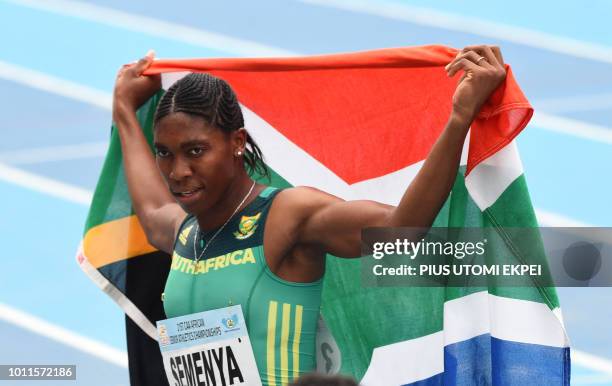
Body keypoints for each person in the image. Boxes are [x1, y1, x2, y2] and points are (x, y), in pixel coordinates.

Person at [112, 45, 506, 385]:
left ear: (236, 142)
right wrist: (125, 111)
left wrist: (460, 118)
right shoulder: (185, 232)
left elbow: (398, 231)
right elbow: (151, 211)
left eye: (195, 151)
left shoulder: (284, 216)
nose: (178, 171)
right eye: (165, 152)